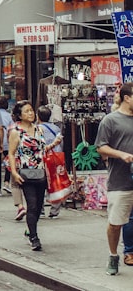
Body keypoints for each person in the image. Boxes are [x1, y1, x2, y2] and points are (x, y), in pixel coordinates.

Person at [8, 100, 60, 251]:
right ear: (19, 115)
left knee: (38, 207)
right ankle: (34, 238)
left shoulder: (39, 130)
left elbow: (42, 150)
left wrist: (54, 144)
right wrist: (14, 172)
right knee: (32, 204)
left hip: (41, 172)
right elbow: (11, 154)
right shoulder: (16, 132)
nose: (30, 114)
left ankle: (30, 229)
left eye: (31, 111)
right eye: (27, 111)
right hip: (26, 173)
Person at [94, 82, 133, 275]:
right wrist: (121, 154)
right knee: (116, 223)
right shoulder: (110, 120)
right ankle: (113, 254)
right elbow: (101, 147)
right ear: (128, 98)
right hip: (120, 180)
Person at [37, 104, 64, 219]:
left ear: (38, 117)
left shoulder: (37, 128)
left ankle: (41, 209)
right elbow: (61, 144)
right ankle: (54, 211)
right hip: (56, 158)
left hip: (43, 158)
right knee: (55, 183)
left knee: (40, 184)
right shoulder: (56, 128)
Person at [0, 95, 13, 197]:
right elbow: (12, 129)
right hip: (8, 142)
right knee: (9, 164)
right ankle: (6, 182)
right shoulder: (8, 116)